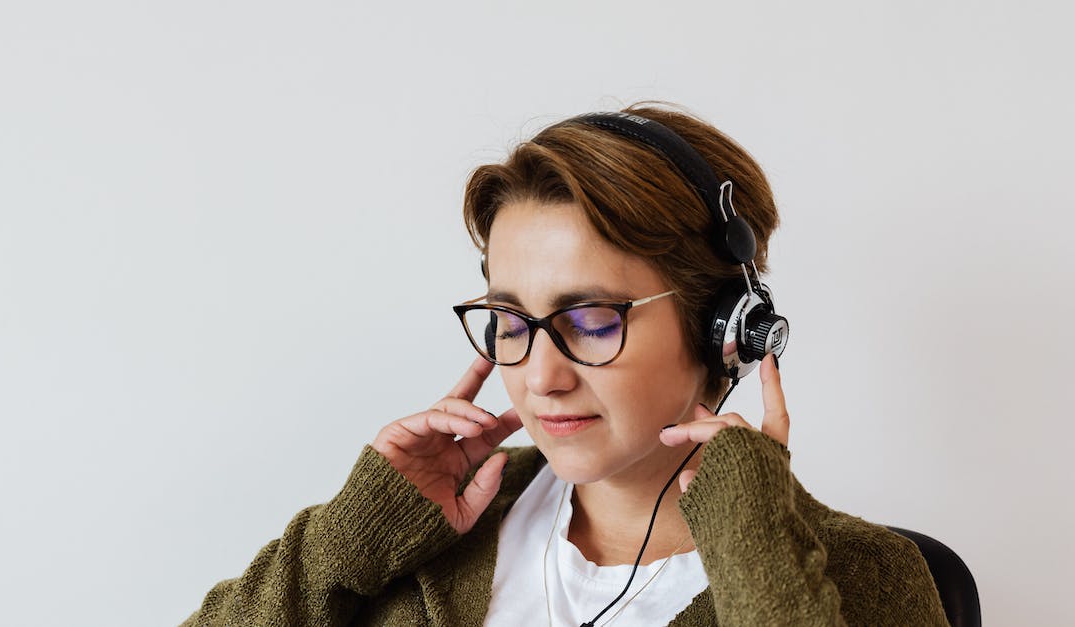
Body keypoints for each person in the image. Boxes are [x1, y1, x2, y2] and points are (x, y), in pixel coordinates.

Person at [180, 104, 949, 626]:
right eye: (512, 320)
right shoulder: (433, 522)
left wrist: (755, 544)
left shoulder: (869, 576)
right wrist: (341, 545)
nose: (540, 375)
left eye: (589, 319)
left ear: (725, 329)